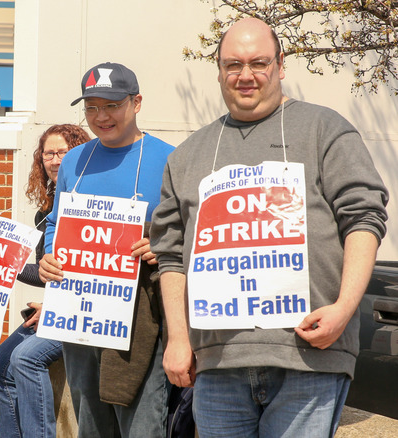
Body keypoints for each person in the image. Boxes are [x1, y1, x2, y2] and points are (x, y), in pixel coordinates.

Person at [150, 17, 388, 437]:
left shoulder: (324, 129)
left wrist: (344, 309)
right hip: (218, 364)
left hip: (309, 356)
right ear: (219, 71)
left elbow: (364, 218)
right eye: (232, 65)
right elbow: (170, 254)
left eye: (258, 63)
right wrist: (178, 339)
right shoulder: (187, 155)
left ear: (280, 64)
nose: (245, 76)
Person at [38, 63, 174, 437]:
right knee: (90, 422)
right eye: (92, 108)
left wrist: (164, 247)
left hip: (141, 321)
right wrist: (48, 257)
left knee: (143, 423)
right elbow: (55, 223)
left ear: (137, 102)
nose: (101, 117)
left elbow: (192, 231)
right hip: (79, 318)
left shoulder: (170, 158)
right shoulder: (75, 161)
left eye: (111, 105)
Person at [0, 124, 90, 438]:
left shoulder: (88, 204)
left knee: (26, 359)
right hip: (52, 308)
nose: (54, 160)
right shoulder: (46, 211)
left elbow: (91, 270)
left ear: (79, 155)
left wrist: (53, 306)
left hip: (82, 312)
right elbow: (44, 273)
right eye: (48, 154)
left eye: (62, 153)